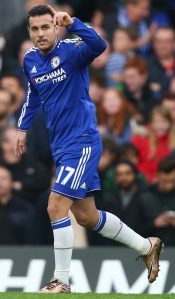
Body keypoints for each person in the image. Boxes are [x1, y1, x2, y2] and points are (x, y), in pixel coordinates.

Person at [14, 5, 163, 293]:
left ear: (55, 27)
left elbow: (100, 45)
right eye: (35, 29)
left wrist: (74, 24)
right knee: (86, 216)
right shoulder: (30, 59)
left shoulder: (72, 49)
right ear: (30, 32)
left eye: (46, 27)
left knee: (55, 205)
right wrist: (22, 127)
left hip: (82, 140)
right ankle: (147, 245)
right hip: (60, 144)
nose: (41, 33)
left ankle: (61, 280)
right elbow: (33, 95)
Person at [132, 106, 175, 182]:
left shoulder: (173, 141)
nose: (160, 126)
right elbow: (135, 164)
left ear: (170, 123)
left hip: (168, 182)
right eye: (157, 122)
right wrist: (150, 178)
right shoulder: (140, 138)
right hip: (145, 182)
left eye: (164, 122)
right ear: (151, 123)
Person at [139, 156, 175, 245]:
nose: (169, 185)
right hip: (150, 250)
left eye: (173, 181)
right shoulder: (143, 196)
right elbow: (134, 229)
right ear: (158, 176)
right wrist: (154, 223)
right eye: (165, 181)